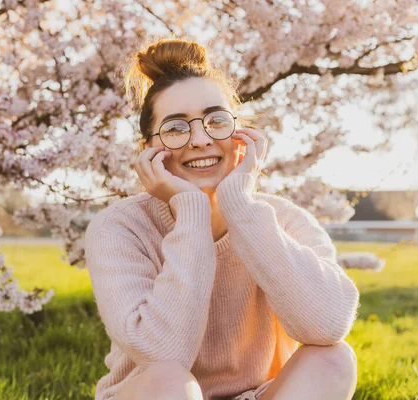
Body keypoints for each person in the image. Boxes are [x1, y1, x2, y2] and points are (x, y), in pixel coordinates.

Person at [84, 35, 360, 400]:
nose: (200, 139)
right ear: (149, 150)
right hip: (155, 394)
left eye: (216, 120)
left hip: (257, 394)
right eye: (176, 128)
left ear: (241, 134)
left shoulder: (283, 218)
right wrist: (191, 212)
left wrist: (241, 206)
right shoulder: (118, 228)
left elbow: (327, 326)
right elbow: (165, 356)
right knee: (169, 379)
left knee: (334, 358)